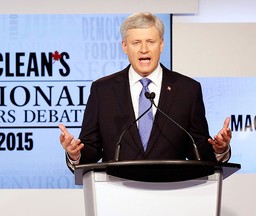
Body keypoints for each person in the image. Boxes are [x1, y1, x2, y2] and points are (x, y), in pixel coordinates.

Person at [59, 12, 231, 171]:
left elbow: (197, 149)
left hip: (172, 192)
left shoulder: (188, 89)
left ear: (161, 44)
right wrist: (76, 154)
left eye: (150, 42)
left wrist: (219, 150)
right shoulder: (103, 90)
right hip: (117, 192)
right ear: (125, 47)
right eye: (136, 43)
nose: (144, 49)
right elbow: (92, 148)